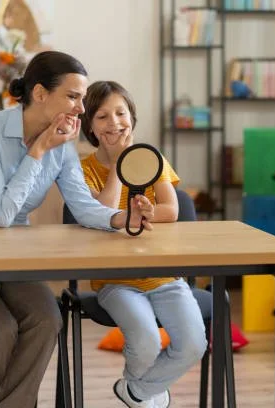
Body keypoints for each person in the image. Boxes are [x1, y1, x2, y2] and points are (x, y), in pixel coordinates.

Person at [0, 52, 154, 408]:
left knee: (47, 319)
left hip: (10, 262)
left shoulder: (62, 146)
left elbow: (83, 206)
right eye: (73, 97)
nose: (81, 109)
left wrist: (123, 220)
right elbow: (1, 213)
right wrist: (40, 150)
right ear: (42, 94)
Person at [80, 80, 207, 408]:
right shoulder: (84, 170)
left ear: (132, 118)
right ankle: (146, 394)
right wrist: (120, 166)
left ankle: (136, 391)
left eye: (121, 113)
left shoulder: (152, 159)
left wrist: (151, 211)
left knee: (194, 343)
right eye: (103, 116)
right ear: (90, 126)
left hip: (163, 276)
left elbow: (172, 210)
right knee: (147, 340)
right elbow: (102, 211)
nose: (114, 123)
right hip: (116, 281)